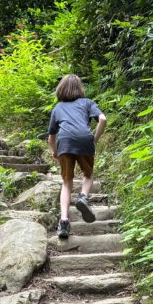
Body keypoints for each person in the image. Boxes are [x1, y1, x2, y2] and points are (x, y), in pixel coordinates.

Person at [47, 74, 107, 239]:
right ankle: (83, 197)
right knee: (88, 175)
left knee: (66, 183)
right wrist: (94, 139)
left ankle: (64, 222)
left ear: (61, 89)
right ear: (80, 88)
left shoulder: (58, 108)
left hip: (64, 142)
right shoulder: (87, 103)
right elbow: (103, 119)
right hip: (85, 140)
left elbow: (51, 137)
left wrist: (55, 152)